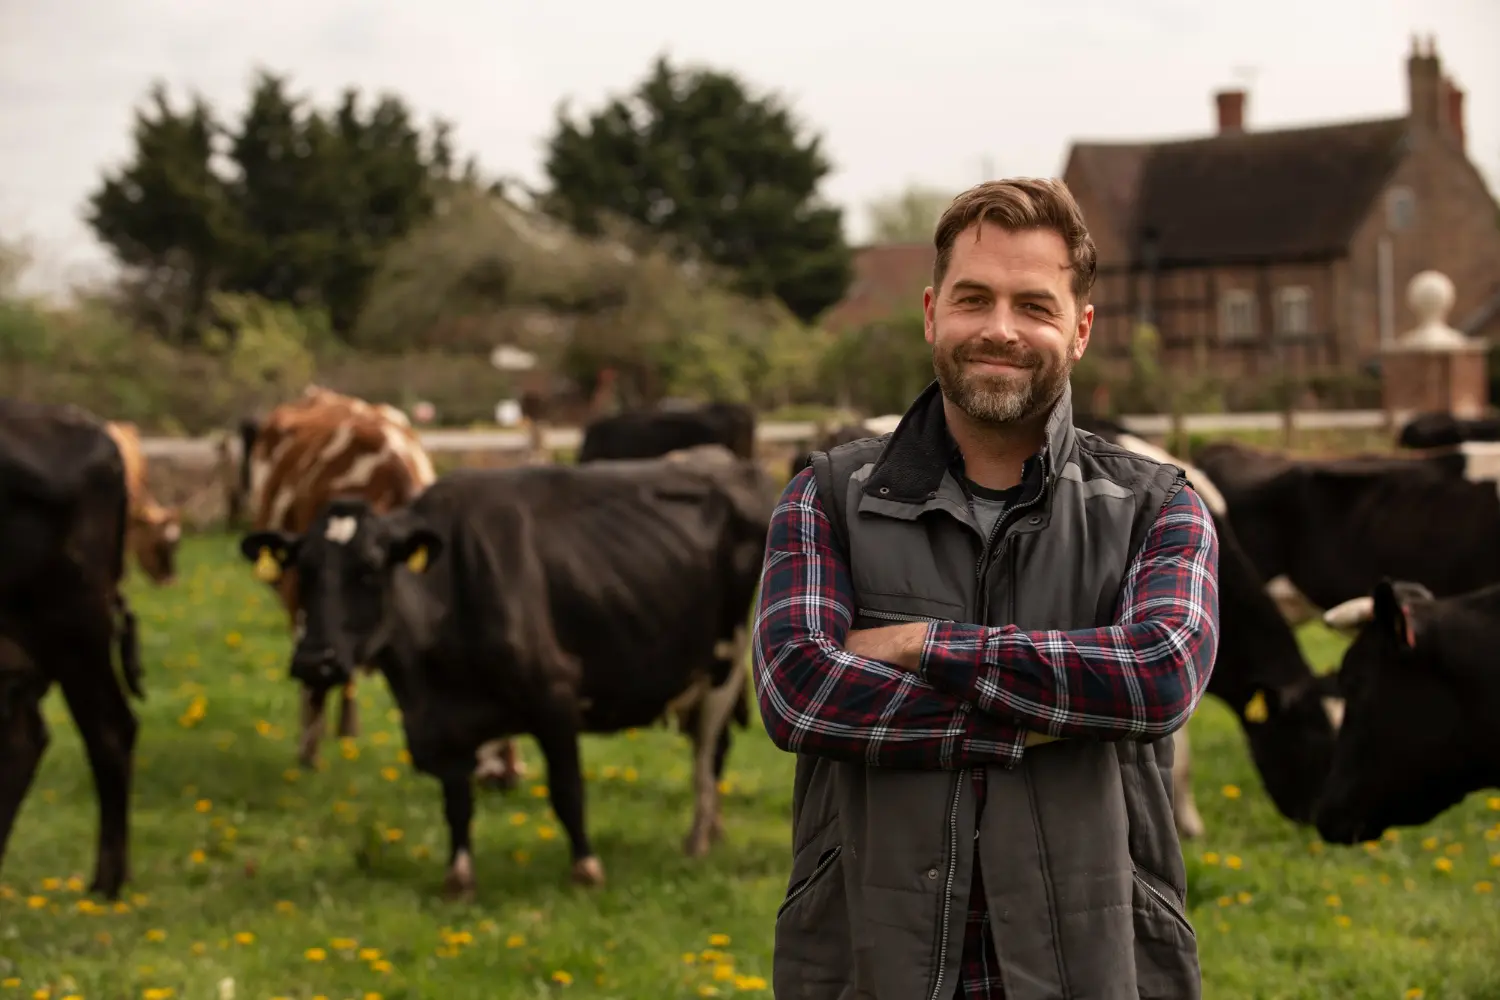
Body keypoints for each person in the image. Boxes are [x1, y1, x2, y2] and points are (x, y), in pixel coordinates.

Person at [751, 177, 1218, 1000]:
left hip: (1097, 962)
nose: (1000, 330)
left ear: (1079, 330)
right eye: (975, 300)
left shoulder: (1157, 506)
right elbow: (800, 692)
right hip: (868, 961)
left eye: (1033, 306)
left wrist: (919, 644)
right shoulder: (826, 496)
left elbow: (1156, 678)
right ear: (932, 313)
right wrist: (1038, 720)